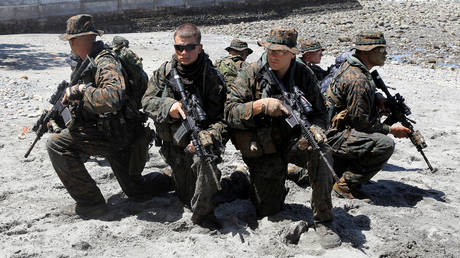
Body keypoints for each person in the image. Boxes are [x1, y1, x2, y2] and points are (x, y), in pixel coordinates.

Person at [225, 28, 341, 249]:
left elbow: (320, 113)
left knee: (322, 150)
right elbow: (229, 112)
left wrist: (317, 128)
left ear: (292, 54)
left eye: (280, 51)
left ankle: (324, 220)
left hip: (296, 141)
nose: (274, 55)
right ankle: (244, 176)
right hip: (264, 148)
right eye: (270, 50)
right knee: (268, 209)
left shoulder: (303, 74)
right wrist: (259, 106)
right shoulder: (251, 73)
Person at [47, 14, 173, 218]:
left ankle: (91, 203)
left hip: (117, 135)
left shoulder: (104, 62)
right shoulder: (87, 62)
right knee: (136, 190)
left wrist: (80, 91)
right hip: (115, 132)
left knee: (56, 145)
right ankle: (171, 178)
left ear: (84, 38)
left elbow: (112, 98)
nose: (69, 44)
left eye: (71, 39)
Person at [142, 24, 246, 229]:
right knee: (187, 196)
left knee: (204, 172)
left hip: (201, 141)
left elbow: (223, 119)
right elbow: (146, 101)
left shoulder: (212, 78)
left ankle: (206, 214)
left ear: (200, 47)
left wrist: (209, 136)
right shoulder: (164, 72)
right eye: (179, 47)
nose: (183, 53)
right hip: (173, 144)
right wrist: (168, 106)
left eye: (190, 47)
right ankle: (176, 175)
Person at [326, 31, 411, 199]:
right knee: (385, 144)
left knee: (328, 171)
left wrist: (377, 98)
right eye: (380, 50)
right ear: (366, 51)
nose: (385, 54)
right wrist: (392, 129)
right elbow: (362, 124)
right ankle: (345, 185)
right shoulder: (359, 79)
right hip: (334, 135)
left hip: (332, 128)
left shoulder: (352, 66)